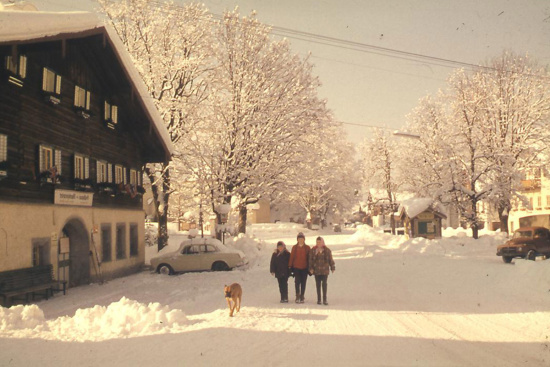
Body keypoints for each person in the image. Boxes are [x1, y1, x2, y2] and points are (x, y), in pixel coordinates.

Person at [308, 236, 335, 305]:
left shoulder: (327, 250)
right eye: (317, 242)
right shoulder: (313, 250)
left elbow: (330, 259)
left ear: (322, 242)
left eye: (319, 242)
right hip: (316, 270)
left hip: (324, 270)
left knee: (324, 284)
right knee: (318, 284)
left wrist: (332, 267)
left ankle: (324, 299)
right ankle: (319, 299)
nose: (318, 243)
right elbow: (310, 260)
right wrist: (310, 268)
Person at [289, 232, 310, 303]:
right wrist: (290, 266)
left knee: (303, 282)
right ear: (297, 240)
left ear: (304, 240)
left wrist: (310, 267)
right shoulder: (294, 247)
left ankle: (302, 296)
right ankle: (297, 295)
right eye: (299, 239)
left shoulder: (307, 248)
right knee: (297, 282)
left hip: (304, 267)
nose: (301, 240)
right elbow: (292, 257)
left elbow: (309, 258)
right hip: (296, 267)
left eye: (302, 239)